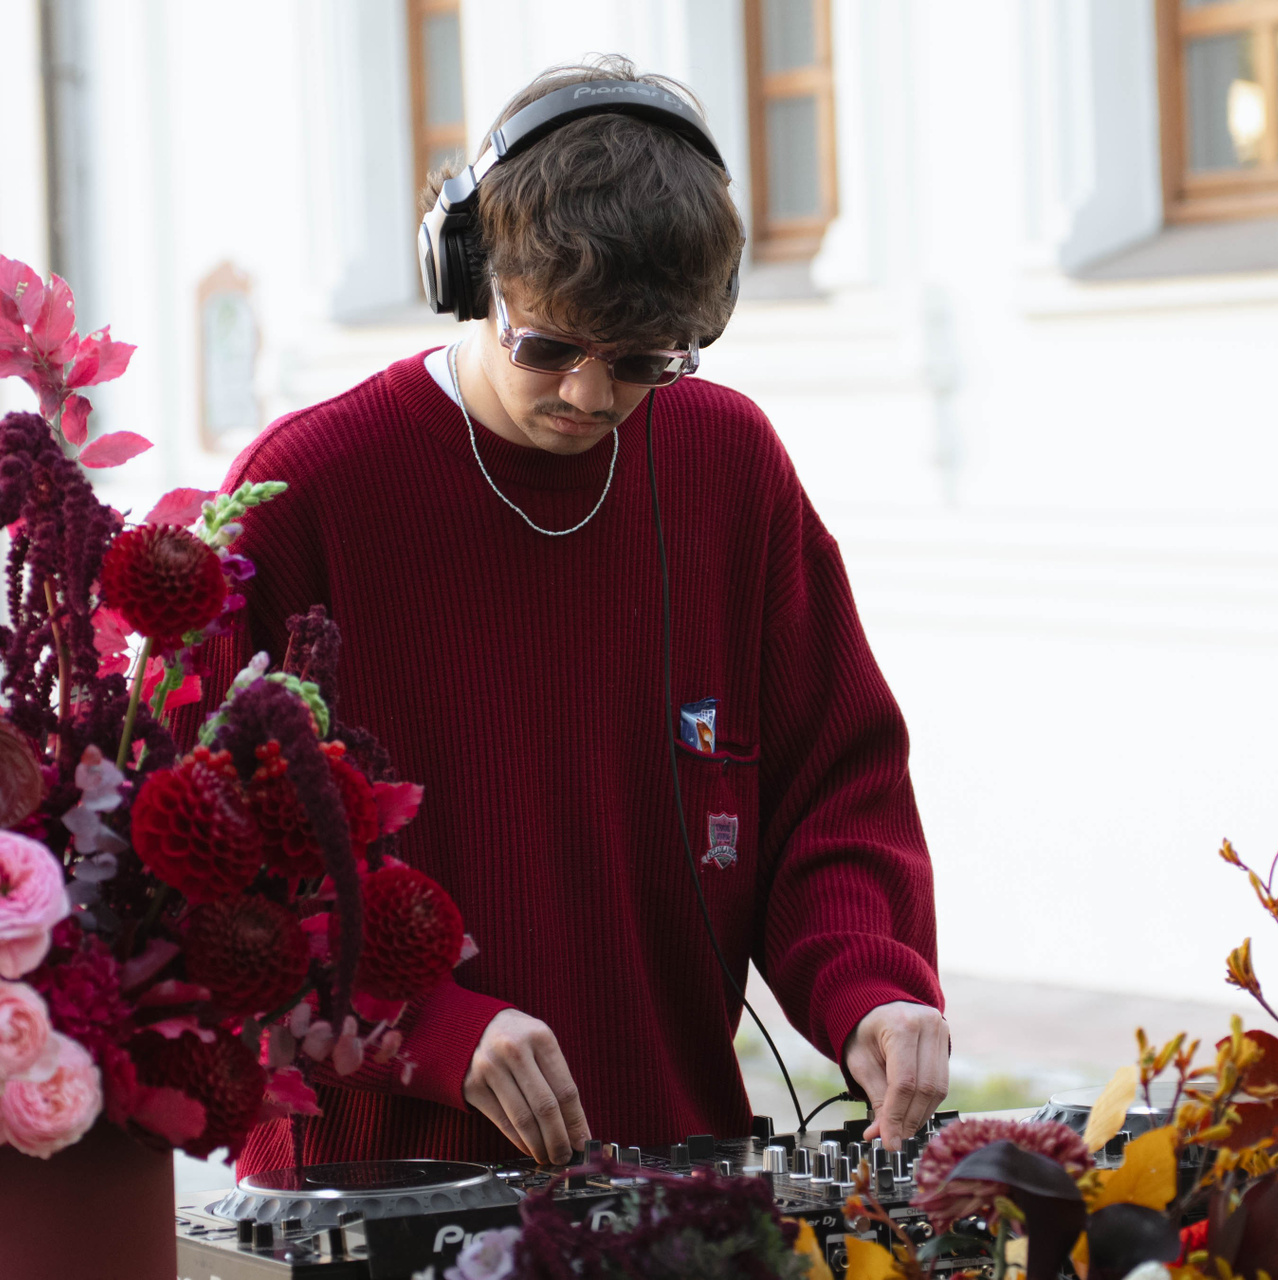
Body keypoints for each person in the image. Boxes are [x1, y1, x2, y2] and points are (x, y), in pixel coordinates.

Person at [188, 56, 948, 1175]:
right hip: (369, 1187)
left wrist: (869, 983)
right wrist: (430, 1025)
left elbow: (831, 789)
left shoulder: (728, 464)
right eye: (547, 346)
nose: (589, 396)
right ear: (468, 270)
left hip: (673, 1176)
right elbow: (204, 882)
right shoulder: (304, 495)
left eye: (644, 362)